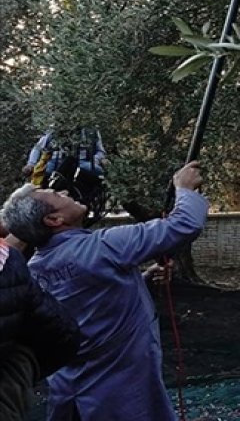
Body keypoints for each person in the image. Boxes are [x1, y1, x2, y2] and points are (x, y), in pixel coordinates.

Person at [0, 161, 207, 421]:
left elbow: (82, 303)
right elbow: (183, 225)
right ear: (54, 219)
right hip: (122, 390)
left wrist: (139, 279)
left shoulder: (34, 269)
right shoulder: (105, 246)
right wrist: (184, 189)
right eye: (56, 195)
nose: (64, 192)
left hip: (70, 391)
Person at [0, 228, 81, 421]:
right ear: (53, 220)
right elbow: (59, 334)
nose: (63, 195)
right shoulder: (8, 260)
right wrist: (22, 366)